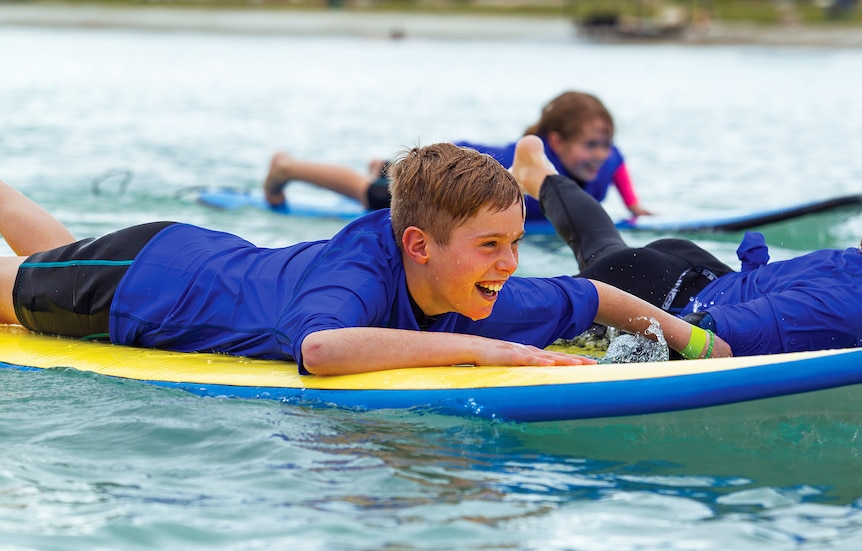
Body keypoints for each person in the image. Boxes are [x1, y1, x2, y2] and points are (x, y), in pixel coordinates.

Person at [0, 143, 729, 377]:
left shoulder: (474, 286)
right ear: (418, 244)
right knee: (33, 279)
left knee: (56, 252)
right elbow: (320, 349)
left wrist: (702, 343)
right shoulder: (358, 273)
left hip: (193, 255)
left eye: (514, 243)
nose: (510, 264)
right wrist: (486, 351)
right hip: (141, 285)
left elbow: (596, 295)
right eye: (491, 246)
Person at [510, 134, 862, 357]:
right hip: (660, 297)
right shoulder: (843, 306)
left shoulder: (851, 271)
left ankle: (538, 174)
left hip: (693, 270)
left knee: (603, 248)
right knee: (508, 316)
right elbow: (704, 329)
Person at [263, 91, 651, 221]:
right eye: (589, 145)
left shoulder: (606, 158)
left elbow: (618, 164)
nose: (599, 155)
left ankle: (387, 165)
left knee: (393, 173)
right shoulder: (531, 163)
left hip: (455, 162)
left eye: (604, 144)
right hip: (458, 166)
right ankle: (288, 167)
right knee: (377, 197)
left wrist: (634, 205)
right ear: (556, 142)